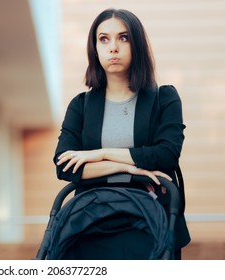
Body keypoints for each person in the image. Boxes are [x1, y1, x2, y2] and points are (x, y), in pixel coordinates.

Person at [53, 8, 190, 259]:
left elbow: (165, 155)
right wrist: (129, 168)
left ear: (136, 44)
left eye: (123, 38)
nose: (113, 48)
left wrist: (99, 154)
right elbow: (66, 166)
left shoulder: (164, 98)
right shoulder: (81, 105)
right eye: (103, 39)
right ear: (94, 48)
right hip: (92, 224)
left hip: (151, 223)